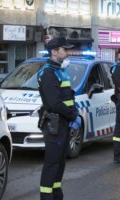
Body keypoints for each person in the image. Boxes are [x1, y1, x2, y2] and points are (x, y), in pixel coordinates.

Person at [37, 37, 81, 200]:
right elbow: (54, 103)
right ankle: (46, 196)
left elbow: (68, 95)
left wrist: (74, 110)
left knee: (60, 163)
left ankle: (56, 195)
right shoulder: (48, 73)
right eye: (65, 50)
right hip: (54, 124)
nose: (67, 53)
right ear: (54, 52)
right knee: (52, 163)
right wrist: (72, 115)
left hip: (64, 123)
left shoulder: (61, 71)